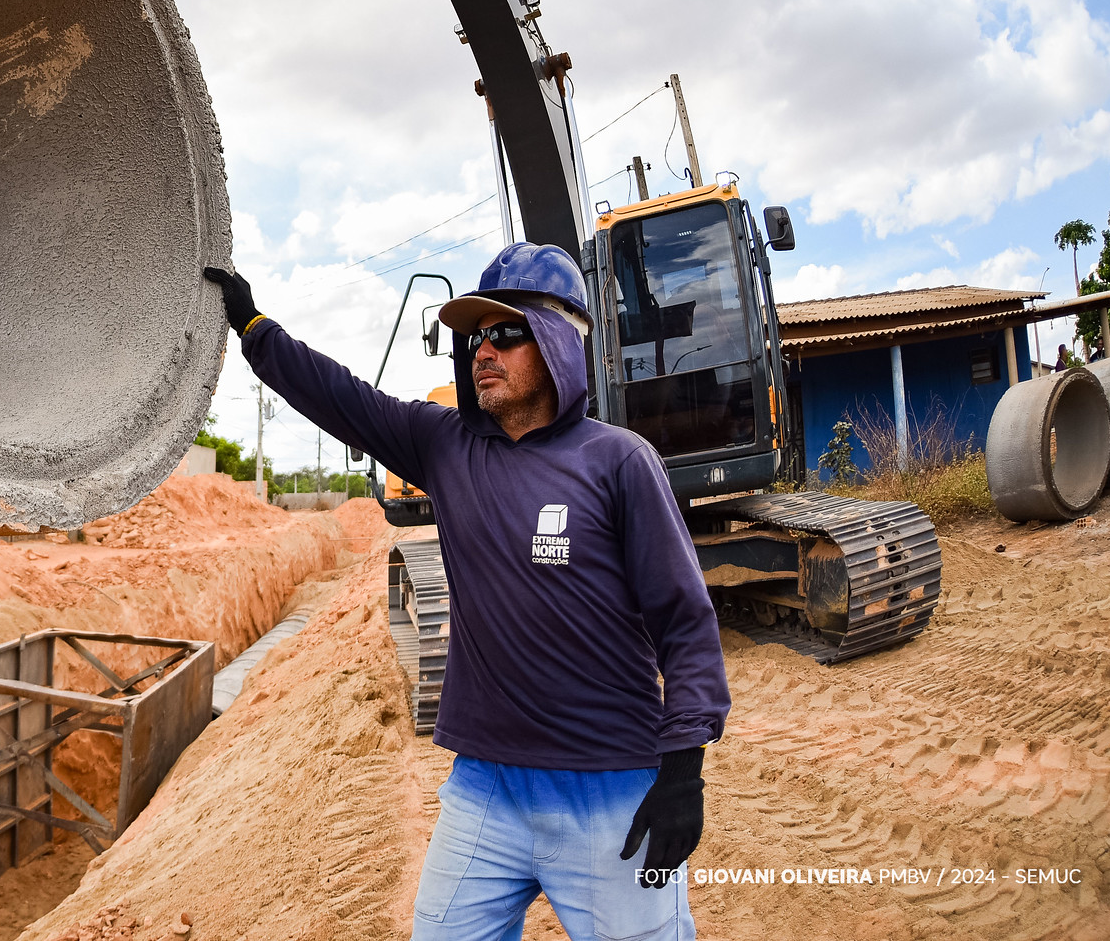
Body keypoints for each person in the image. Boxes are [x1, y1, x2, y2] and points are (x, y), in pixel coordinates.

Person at [203, 243, 729, 941]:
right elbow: (342, 397)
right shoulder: (445, 445)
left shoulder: (619, 461)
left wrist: (684, 769)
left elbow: (686, 623)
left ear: (559, 341)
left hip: (610, 788)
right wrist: (252, 325)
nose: (484, 347)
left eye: (506, 330)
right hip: (486, 788)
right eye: (475, 334)